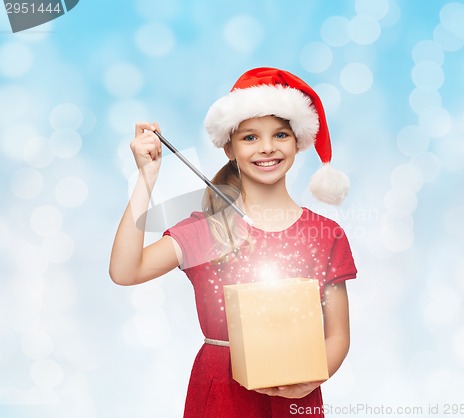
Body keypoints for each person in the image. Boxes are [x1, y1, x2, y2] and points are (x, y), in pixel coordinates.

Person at [109, 67, 357, 417]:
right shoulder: (208, 230)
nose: (267, 148)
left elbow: (338, 335)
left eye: (281, 134)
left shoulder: (326, 235)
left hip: (297, 398)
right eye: (250, 137)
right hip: (221, 398)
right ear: (229, 147)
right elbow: (125, 270)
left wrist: (313, 377)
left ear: (298, 142)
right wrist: (146, 177)